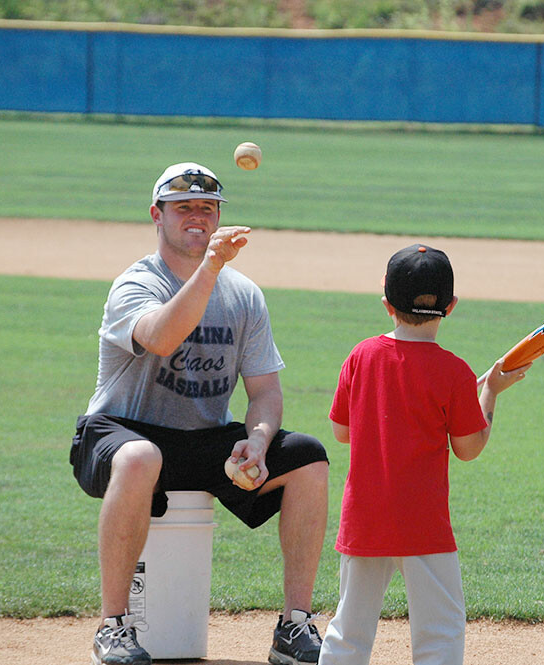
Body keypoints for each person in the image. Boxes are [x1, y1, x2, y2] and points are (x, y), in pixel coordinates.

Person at [70, 162, 329, 665]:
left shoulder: (244, 295)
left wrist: (257, 439)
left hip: (204, 436)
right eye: (183, 206)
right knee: (141, 456)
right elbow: (163, 337)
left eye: (207, 208)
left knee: (308, 458)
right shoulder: (136, 284)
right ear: (157, 215)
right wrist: (210, 268)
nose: (197, 216)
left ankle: (294, 625)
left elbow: (265, 392)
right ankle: (114, 626)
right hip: (120, 430)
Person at [319, 244, 531, 665]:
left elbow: (342, 432)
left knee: (349, 630)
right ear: (450, 306)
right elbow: (469, 448)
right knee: (440, 632)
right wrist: (489, 392)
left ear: (387, 305)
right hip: (423, 524)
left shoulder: (361, 356)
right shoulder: (454, 370)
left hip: (364, 519)